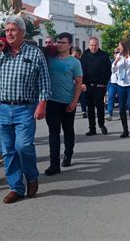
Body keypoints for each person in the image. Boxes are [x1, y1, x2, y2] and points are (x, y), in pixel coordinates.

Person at [0, 15, 51, 203]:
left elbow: (44, 81)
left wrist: (42, 104)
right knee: (8, 150)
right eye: (6, 30)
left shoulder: (35, 53)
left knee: (23, 146)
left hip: (25, 108)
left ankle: (31, 177)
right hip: (4, 108)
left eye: (12, 30)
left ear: (22, 32)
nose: (9, 33)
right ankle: (16, 188)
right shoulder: (1, 53)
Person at [44, 33, 83, 176]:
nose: (59, 45)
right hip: (52, 101)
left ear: (70, 45)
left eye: (63, 42)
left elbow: (79, 83)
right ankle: (54, 164)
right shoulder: (49, 58)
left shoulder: (74, 62)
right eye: (58, 42)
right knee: (53, 133)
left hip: (67, 101)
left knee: (68, 130)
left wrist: (74, 101)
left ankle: (68, 154)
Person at [80, 37, 112, 136]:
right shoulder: (85, 55)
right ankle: (92, 128)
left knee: (100, 106)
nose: (93, 47)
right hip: (88, 85)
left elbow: (108, 71)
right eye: (91, 45)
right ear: (89, 45)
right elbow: (81, 70)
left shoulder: (104, 55)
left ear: (98, 45)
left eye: (95, 45)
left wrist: (104, 83)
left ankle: (101, 124)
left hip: (99, 85)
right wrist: (82, 83)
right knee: (90, 108)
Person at [112, 39, 130, 138]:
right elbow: (113, 70)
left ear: (125, 46)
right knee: (122, 108)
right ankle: (125, 130)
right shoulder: (119, 55)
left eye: (120, 45)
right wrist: (115, 62)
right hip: (121, 84)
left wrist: (128, 57)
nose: (118, 47)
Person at [72, 46, 87, 118]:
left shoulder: (81, 62)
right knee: (73, 98)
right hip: (71, 82)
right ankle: (72, 110)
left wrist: (83, 83)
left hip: (80, 81)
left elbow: (83, 72)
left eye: (77, 56)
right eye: (74, 55)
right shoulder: (69, 61)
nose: (75, 57)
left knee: (82, 97)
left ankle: (84, 111)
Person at [105, 47, 120, 121]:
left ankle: (121, 114)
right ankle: (109, 114)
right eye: (116, 53)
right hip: (112, 83)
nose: (117, 54)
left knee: (121, 99)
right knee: (110, 98)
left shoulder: (124, 61)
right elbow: (109, 72)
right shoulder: (111, 62)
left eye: (118, 52)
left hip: (121, 83)